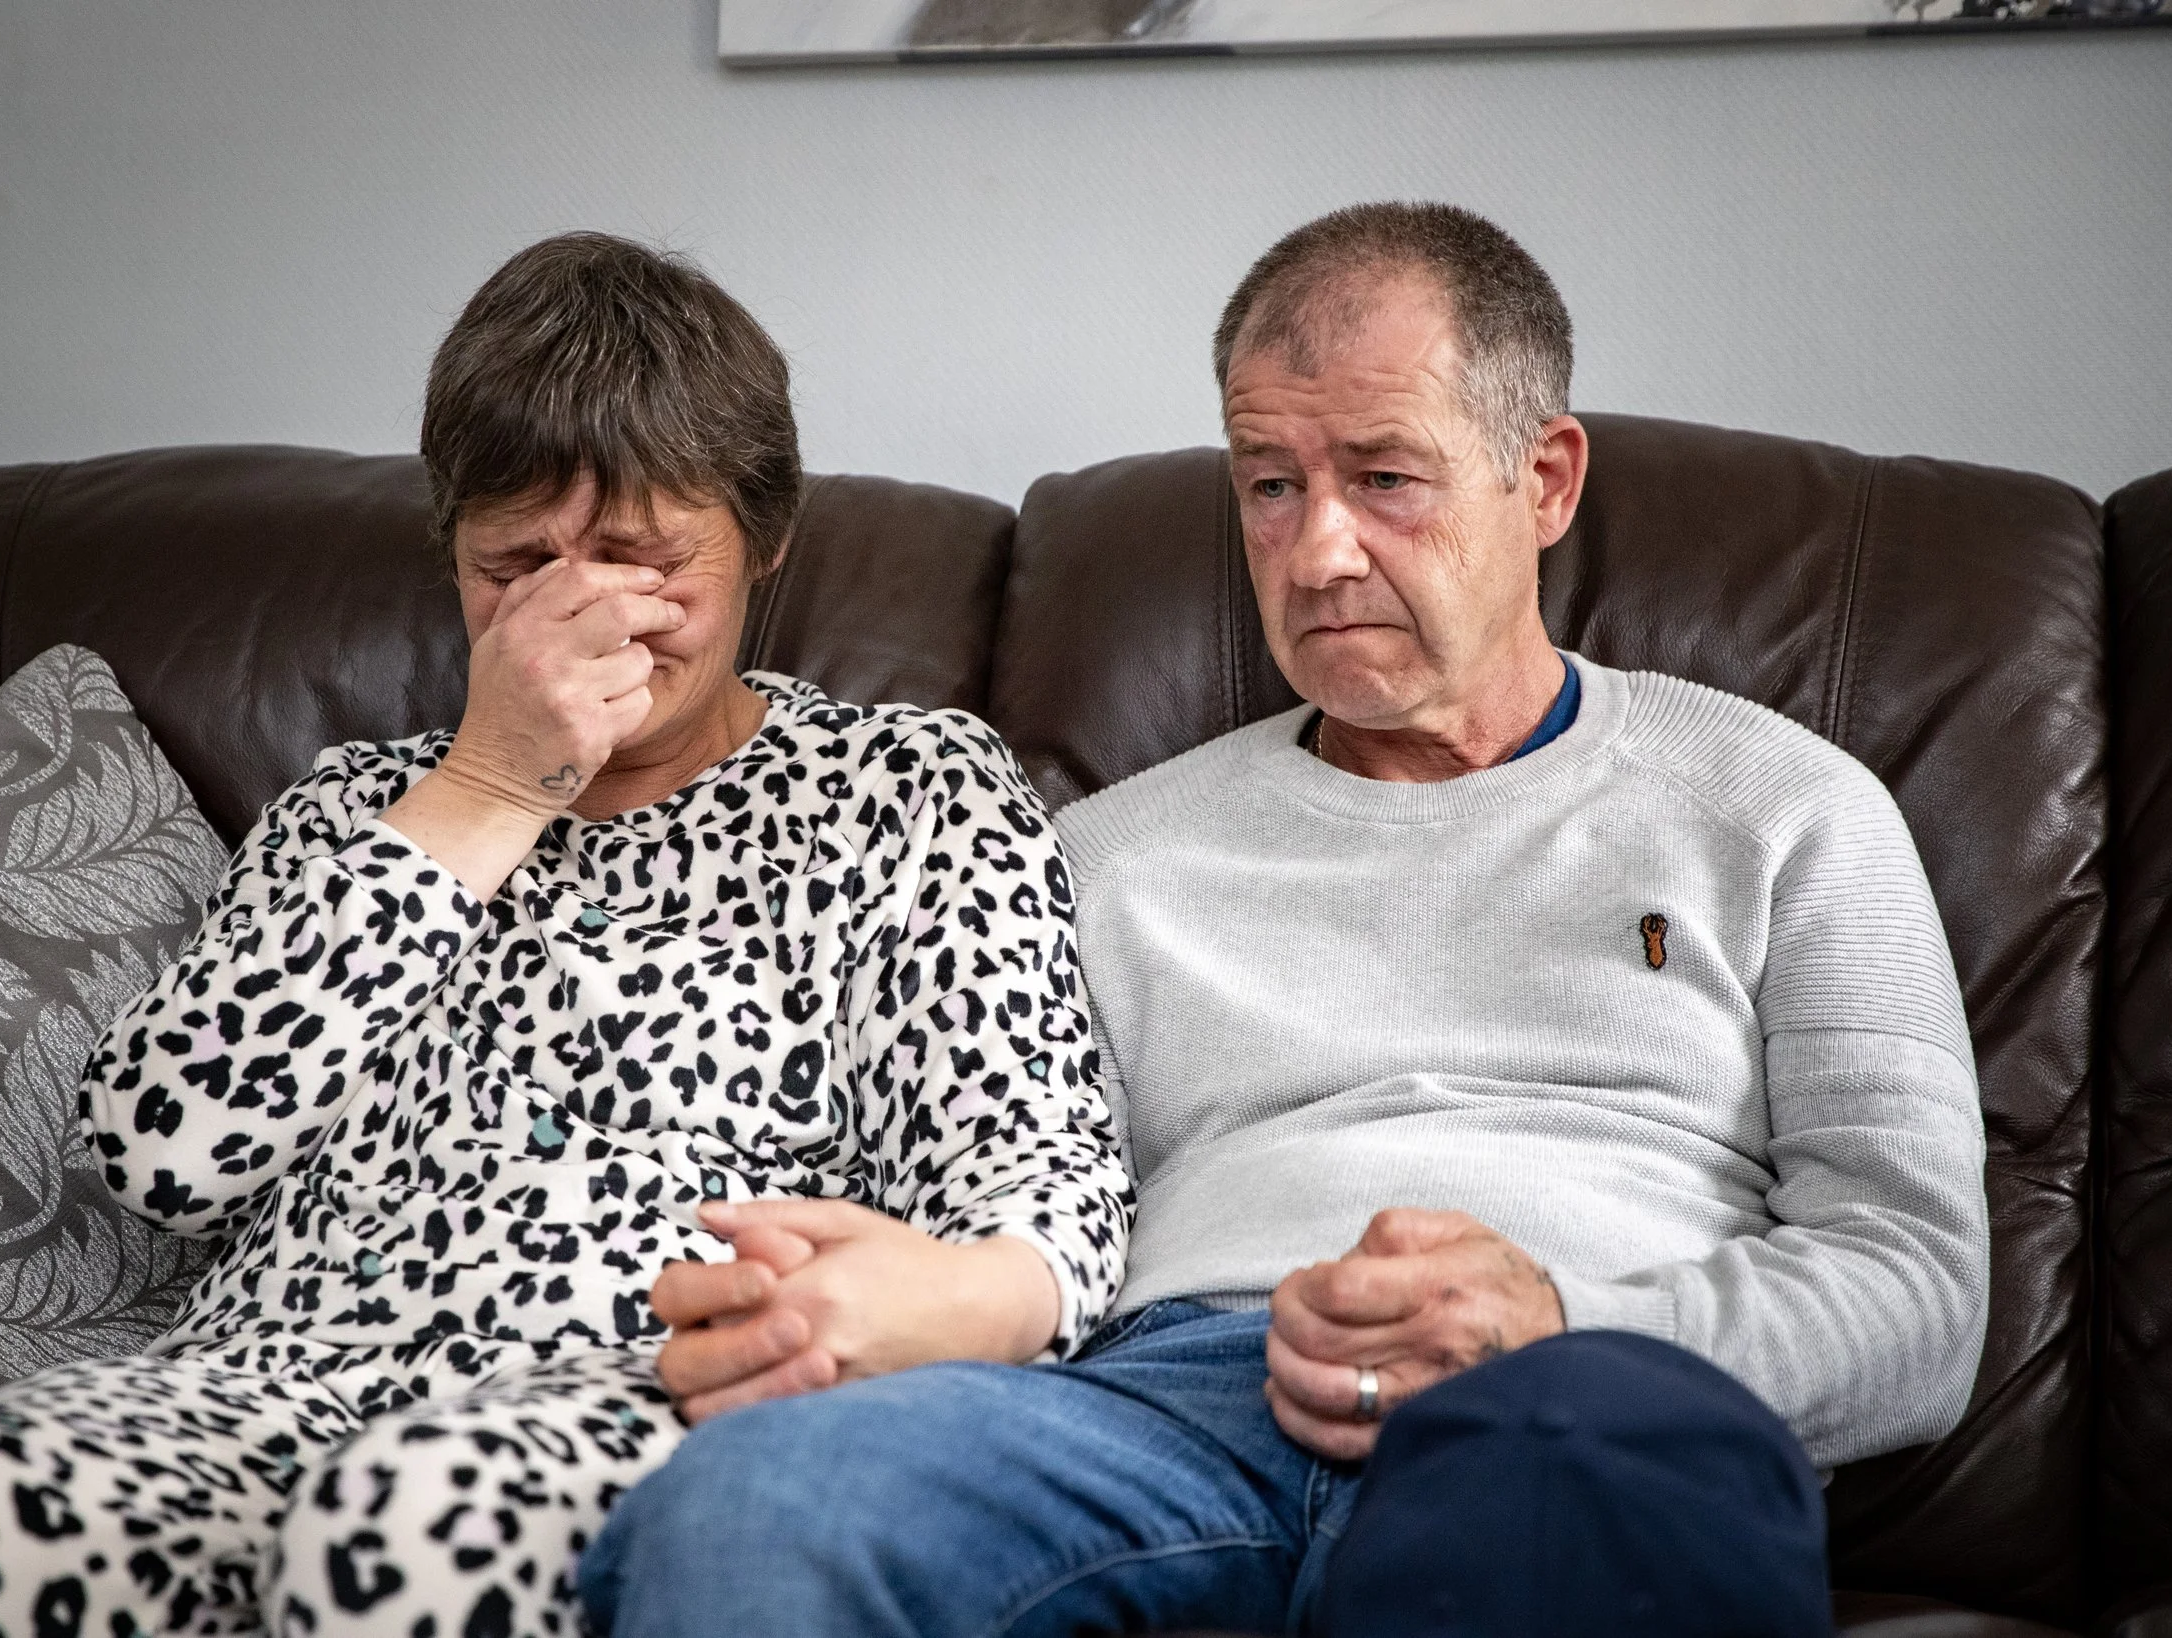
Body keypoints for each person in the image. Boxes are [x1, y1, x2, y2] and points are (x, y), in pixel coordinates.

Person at [581, 203, 1991, 1638]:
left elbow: (1918, 1289)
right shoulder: (1104, 854)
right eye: (1268, 485)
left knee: (1564, 1509)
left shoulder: (1784, 806)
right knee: (754, 1500)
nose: (1317, 551)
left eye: (1387, 478)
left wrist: (1563, 1321)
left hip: (1577, 1397)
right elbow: (997, 1204)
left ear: (1546, 476)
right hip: (1164, 1405)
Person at [0, 233, 1130, 1638]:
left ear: (768, 540)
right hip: (265, 1382)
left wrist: (908, 1301)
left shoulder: (909, 791)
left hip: (634, 1390)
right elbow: (160, 1153)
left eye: (641, 558)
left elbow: (1046, 1196)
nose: (576, 609)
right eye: (517, 564)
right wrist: (490, 789)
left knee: (401, 1526)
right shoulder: (360, 805)